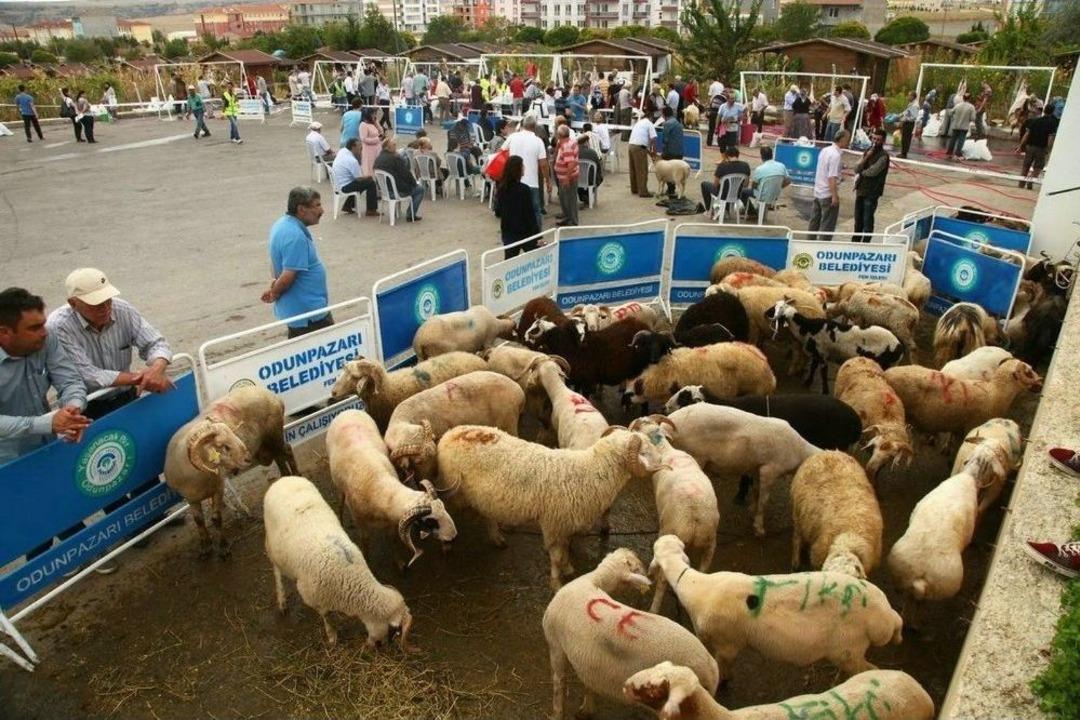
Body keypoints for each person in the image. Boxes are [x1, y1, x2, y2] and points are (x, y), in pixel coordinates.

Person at [261, 187, 331, 337]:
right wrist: (275, 292)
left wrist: (274, 284)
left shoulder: (282, 224)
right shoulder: (295, 236)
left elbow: (275, 263)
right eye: (317, 205)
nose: (322, 210)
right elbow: (288, 276)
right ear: (301, 209)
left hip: (302, 311)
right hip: (309, 314)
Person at [505, 115, 550, 231]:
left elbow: (502, 152)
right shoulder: (538, 141)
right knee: (535, 210)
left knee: (515, 209)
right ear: (534, 127)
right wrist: (548, 181)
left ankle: (517, 232)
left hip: (514, 180)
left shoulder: (513, 137)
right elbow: (543, 164)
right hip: (532, 182)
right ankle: (536, 235)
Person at [494, 155, 541, 259]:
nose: (524, 167)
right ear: (517, 169)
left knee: (509, 264)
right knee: (536, 261)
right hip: (525, 234)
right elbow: (530, 215)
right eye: (522, 165)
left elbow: (498, 211)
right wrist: (538, 236)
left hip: (509, 234)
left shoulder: (501, 189)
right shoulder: (524, 190)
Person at [809, 129, 849, 241]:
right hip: (827, 194)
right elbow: (832, 178)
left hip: (818, 191)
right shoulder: (836, 155)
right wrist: (834, 196)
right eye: (847, 139)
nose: (849, 142)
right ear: (842, 139)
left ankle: (808, 242)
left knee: (814, 222)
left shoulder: (825, 150)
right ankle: (823, 247)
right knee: (827, 225)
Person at [374, 136, 425, 222]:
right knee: (420, 189)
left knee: (409, 185)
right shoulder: (395, 159)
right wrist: (414, 184)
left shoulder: (378, 159)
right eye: (394, 145)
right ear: (388, 147)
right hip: (396, 191)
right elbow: (406, 174)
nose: (396, 147)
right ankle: (410, 214)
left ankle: (398, 212)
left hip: (385, 191)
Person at [852, 127, 890, 242]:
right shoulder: (867, 151)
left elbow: (872, 172)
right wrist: (866, 158)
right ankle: (855, 241)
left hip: (872, 192)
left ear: (883, 141)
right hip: (861, 189)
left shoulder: (884, 156)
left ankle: (866, 242)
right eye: (873, 138)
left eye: (878, 140)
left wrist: (861, 172)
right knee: (858, 219)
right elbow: (856, 168)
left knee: (867, 219)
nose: (875, 142)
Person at [331, 139, 379, 216]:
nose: (361, 148)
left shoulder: (343, 151)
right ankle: (371, 210)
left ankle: (348, 205)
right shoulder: (352, 160)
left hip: (338, 183)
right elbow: (359, 178)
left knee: (362, 183)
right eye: (359, 146)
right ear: (353, 147)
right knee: (370, 182)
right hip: (344, 186)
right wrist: (369, 176)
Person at [699, 145, 751, 215]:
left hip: (723, 194)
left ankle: (709, 210)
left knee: (704, 184)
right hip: (737, 194)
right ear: (738, 155)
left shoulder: (722, 166)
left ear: (727, 156)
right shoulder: (746, 166)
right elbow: (745, 185)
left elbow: (715, 184)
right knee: (730, 187)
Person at [1018, 104, 1058, 190]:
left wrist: (1021, 146)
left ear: (1044, 110)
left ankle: (1021, 184)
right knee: (1038, 166)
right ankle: (1030, 181)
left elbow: (1026, 134)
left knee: (1026, 165)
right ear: (1052, 112)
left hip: (1030, 146)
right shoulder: (1052, 124)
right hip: (1041, 148)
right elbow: (1050, 138)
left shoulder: (1035, 121)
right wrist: (1048, 149)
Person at [745, 145, 790, 215]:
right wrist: (778, 187)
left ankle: (751, 213)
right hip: (775, 194)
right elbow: (788, 181)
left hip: (762, 195)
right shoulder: (781, 166)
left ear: (761, 156)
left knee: (742, 192)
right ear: (772, 155)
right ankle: (760, 209)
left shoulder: (760, 169)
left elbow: (754, 186)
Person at [553, 125, 580, 227]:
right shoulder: (569, 142)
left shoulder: (567, 147)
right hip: (565, 176)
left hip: (567, 177)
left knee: (569, 199)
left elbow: (571, 163)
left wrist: (567, 178)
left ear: (559, 135)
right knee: (564, 199)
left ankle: (572, 221)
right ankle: (567, 217)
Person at [628, 110, 657, 198]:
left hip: (631, 146)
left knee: (633, 169)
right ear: (651, 118)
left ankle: (635, 189)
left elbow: (642, 142)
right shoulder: (649, 124)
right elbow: (653, 139)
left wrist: (649, 152)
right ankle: (643, 191)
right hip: (639, 147)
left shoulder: (639, 123)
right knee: (642, 170)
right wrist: (653, 152)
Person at [659, 106, 685, 197]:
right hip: (679, 152)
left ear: (664, 114)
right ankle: (675, 190)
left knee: (665, 170)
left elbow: (665, 140)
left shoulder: (667, 124)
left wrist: (663, 153)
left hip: (670, 152)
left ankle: (670, 189)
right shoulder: (678, 123)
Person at [947, 93, 976, 160]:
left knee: (953, 139)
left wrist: (954, 118)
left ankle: (949, 152)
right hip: (964, 127)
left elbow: (950, 113)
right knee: (961, 141)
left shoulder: (958, 105)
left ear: (963, 98)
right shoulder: (971, 107)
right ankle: (958, 153)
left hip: (956, 125)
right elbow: (973, 118)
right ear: (970, 99)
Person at [577, 133, 604, 205]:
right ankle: (588, 194)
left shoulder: (574, 153)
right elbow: (598, 167)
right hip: (591, 180)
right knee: (597, 175)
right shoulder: (593, 152)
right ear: (586, 142)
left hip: (577, 180)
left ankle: (582, 194)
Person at [359, 108, 382, 177]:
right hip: (369, 151)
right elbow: (364, 139)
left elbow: (381, 131)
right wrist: (377, 139)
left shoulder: (372, 124)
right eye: (373, 114)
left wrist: (376, 122)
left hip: (377, 149)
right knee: (370, 168)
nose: (374, 115)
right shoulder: (363, 125)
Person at [899, 91, 919, 159]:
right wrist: (900, 115)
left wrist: (904, 119)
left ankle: (904, 153)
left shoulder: (915, 105)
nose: (908, 97)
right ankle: (903, 152)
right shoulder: (911, 104)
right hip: (907, 123)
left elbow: (913, 117)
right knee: (904, 138)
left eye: (909, 95)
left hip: (909, 124)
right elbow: (907, 112)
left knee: (906, 138)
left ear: (913, 97)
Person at [706, 77, 724, 146]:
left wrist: (707, 106)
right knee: (719, 125)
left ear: (712, 80)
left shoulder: (712, 86)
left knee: (711, 126)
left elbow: (709, 96)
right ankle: (719, 142)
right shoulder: (722, 85)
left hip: (713, 106)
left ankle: (709, 142)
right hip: (721, 106)